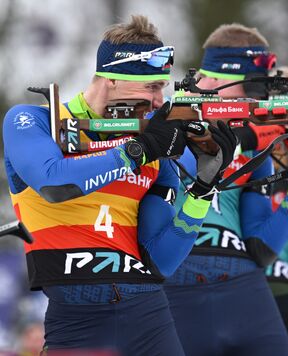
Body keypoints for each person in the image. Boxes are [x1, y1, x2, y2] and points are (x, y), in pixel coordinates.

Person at [3, 15, 236, 355]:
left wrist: (202, 188)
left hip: (149, 317)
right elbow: (55, 184)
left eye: (163, 87)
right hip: (77, 322)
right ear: (112, 79)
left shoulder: (151, 147)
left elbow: (160, 262)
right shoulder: (34, 121)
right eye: (152, 87)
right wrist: (136, 152)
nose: (159, 101)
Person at [164, 23, 288, 356]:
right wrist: (240, 141)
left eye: (261, 92)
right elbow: (175, 171)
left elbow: (261, 248)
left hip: (244, 287)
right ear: (214, 79)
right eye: (248, 88)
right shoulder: (164, 116)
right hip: (177, 282)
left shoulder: (250, 136)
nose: (254, 100)